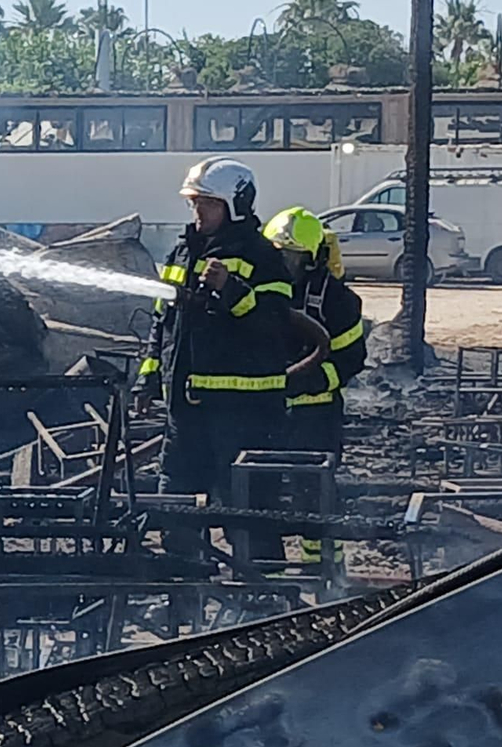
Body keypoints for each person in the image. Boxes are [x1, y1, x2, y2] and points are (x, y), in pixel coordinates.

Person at [135, 158, 324, 576]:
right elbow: (161, 322)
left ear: (235, 205)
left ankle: (261, 596)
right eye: (194, 203)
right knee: (176, 501)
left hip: (246, 413)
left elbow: (276, 324)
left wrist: (232, 290)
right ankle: (184, 591)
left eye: (207, 204)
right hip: (186, 412)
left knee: (249, 506)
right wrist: (148, 378)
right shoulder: (181, 253)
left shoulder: (261, 257)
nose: (197, 213)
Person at [263, 205, 368, 570]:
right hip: (267, 411)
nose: (282, 263)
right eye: (275, 254)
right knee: (260, 490)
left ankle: (325, 567)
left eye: (290, 257)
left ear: (311, 260)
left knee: (315, 494)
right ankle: (265, 571)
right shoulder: (261, 293)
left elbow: (351, 358)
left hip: (315, 415)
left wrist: (314, 380)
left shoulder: (338, 301)